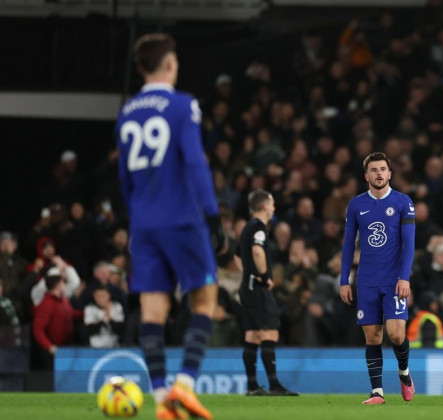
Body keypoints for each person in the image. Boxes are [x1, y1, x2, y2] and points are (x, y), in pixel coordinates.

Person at [116, 33, 226, 420]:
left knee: (152, 310)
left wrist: (136, 220)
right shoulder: (182, 105)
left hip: (143, 224)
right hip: (181, 217)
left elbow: (124, 178)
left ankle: (162, 401)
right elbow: (195, 163)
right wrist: (212, 217)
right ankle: (186, 385)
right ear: (168, 65)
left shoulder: (127, 112)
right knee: (205, 299)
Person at [340, 152, 416, 404]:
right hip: (366, 280)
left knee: (395, 334)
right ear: (367, 176)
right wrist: (344, 280)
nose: (379, 173)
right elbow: (349, 244)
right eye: (374, 170)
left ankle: (404, 372)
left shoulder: (403, 202)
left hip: (393, 280)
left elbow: (409, 244)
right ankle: (377, 392)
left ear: (390, 173)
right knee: (372, 336)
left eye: (383, 169)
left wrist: (404, 277)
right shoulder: (356, 205)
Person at [238, 189, 298, 396]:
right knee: (269, 330)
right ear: (265, 207)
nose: (273, 208)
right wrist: (264, 275)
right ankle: (274, 385)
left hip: (247, 287)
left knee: (253, 334)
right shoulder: (259, 228)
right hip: (258, 288)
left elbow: (240, 256)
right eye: (272, 204)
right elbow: (257, 250)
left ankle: (252, 386)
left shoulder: (247, 227)